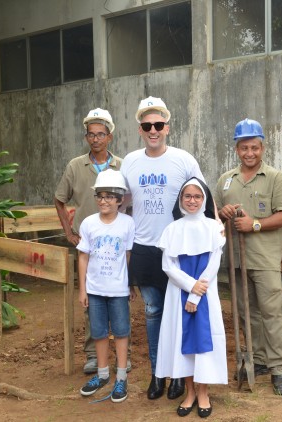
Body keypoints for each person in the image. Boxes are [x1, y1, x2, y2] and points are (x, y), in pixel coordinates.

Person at [120, 96, 204, 400]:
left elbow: (201, 199)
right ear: (140, 129)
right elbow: (122, 201)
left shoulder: (184, 159)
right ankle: (158, 375)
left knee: (179, 313)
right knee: (153, 312)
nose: (153, 129)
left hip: (177, 250)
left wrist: (213, 229)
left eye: (158, 124)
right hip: (144, 249)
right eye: (147, 125)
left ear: (167, 127)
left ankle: (180, 377)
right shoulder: (129, 161)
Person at [214, 118, 282, 395]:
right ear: (237, 149)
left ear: (263, 148)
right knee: (247, 313)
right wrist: (222, 214)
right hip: (236, 259)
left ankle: (279, 368)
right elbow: (215, 218)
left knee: (272, 313)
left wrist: (255, 224)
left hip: (264, 259)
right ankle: (258, 360)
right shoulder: (226, 180)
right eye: (244, 148)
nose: (250, 153)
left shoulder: (275, 178)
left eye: (255, 148)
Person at [54, 108, 129, 375]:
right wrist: (69, 233)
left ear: (109, 136)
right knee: (90, 300)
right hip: (87, 245)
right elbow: (59, 199)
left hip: (116, 245)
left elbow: (130, 200)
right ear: (86, 137)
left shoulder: (121, 165)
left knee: (120, 297)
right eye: (91, 134)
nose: (95, 139)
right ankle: (91, 355)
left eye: (101, 134)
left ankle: (123, 355)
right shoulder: (76, 166)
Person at [156, 177, 227, 418]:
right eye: (188, 196)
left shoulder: (213, 228)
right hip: (178, 294)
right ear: (181, 200)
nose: (192, 200)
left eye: (197, 196)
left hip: (205, 295)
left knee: (204, 343)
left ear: (204, 199)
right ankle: (190, 391)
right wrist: (189, 286)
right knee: (181, 342)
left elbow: (214, 263)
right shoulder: (172, 229)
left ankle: (204, 392)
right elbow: (168, 265)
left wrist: (196, 295)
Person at [77, 169, 136, 402]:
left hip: (119, 290)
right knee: (99, 333)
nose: (104, 201)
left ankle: (121, 377)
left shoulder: (127, 224)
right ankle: (102, 374)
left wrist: (131, 284)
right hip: (95, 290)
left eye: (110, 196)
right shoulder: (89, 223)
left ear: (120, 200)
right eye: (100, 196)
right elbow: (83, 257)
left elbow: (129, 256)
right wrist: (82, 289)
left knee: (121, 332)